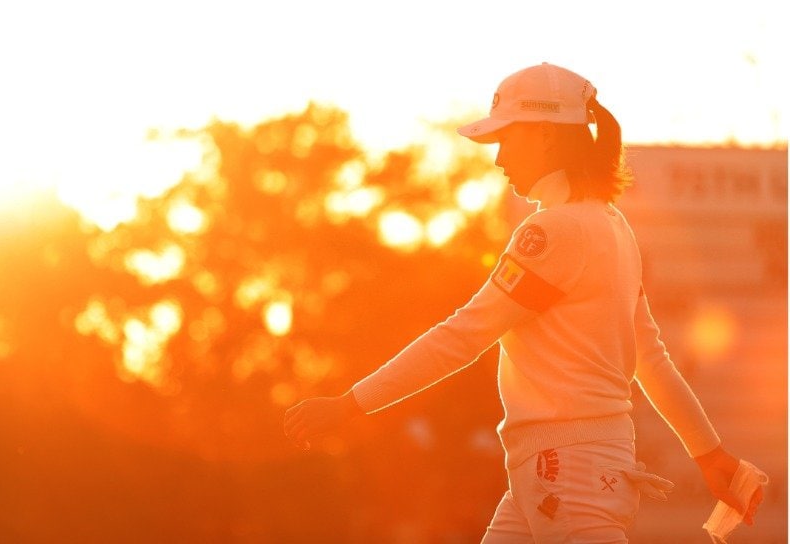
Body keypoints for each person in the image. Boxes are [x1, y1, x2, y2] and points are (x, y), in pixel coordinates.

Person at [283, 62, 763, 542]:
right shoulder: (612, 225)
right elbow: (651, 359)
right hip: (558, 476)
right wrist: (710, 455)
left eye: (506, 139)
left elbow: (464, 335)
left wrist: (350, 404)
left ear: (546, 134)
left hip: (567, 478)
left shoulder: (555, 230)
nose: (498, 159)